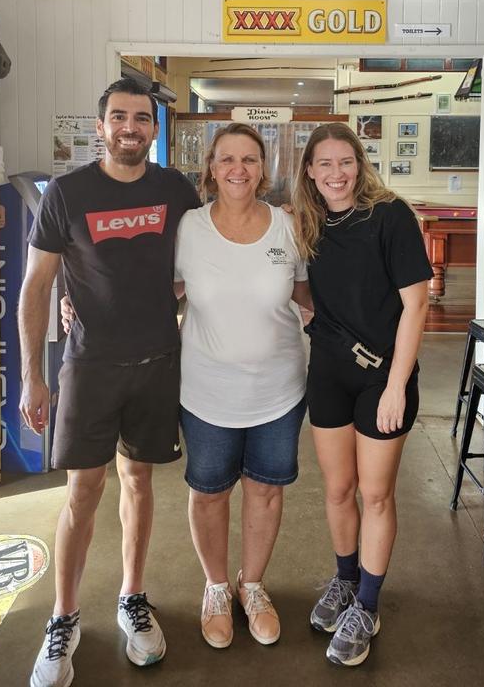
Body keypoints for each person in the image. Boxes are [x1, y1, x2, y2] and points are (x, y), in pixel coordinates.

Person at [18, 76, 199, 687]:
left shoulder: (176, 189)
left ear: (153, 128)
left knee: (139, 482)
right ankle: (63, 618)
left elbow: (200, 262)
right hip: (88, 367)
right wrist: (33, 379)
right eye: (119, 117)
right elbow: (36, 286)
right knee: (82, 492)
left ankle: (132, 598)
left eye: (141, 119)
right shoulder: (67, 194)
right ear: (101, 127)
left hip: (156, 364)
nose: (130, 128)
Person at [292, 122, 431, 667]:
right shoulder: (307, 223)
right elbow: (299, 284)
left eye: (345, 162)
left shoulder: (390, 216)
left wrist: (397, 384)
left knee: (375, 495)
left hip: (382, 377)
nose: (336, 173)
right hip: (328, 371)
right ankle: (346, 582)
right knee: (337, 488)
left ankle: (368, 605)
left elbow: (416, 306)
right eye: (324, 164)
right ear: (309, 170)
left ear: (360, 163)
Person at [174, 123, 310, 650]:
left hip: (279, 390)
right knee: (208, 493)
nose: (238, 169)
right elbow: (155, 288)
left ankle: (251, 586)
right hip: (206, 390)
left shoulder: (288, 226)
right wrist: (78, 304)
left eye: (249, 159)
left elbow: (307, 295)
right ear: (211, 167)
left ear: (263, 169)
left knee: (266, 490)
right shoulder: (189, 227)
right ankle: (215, 588)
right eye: (227, 159)